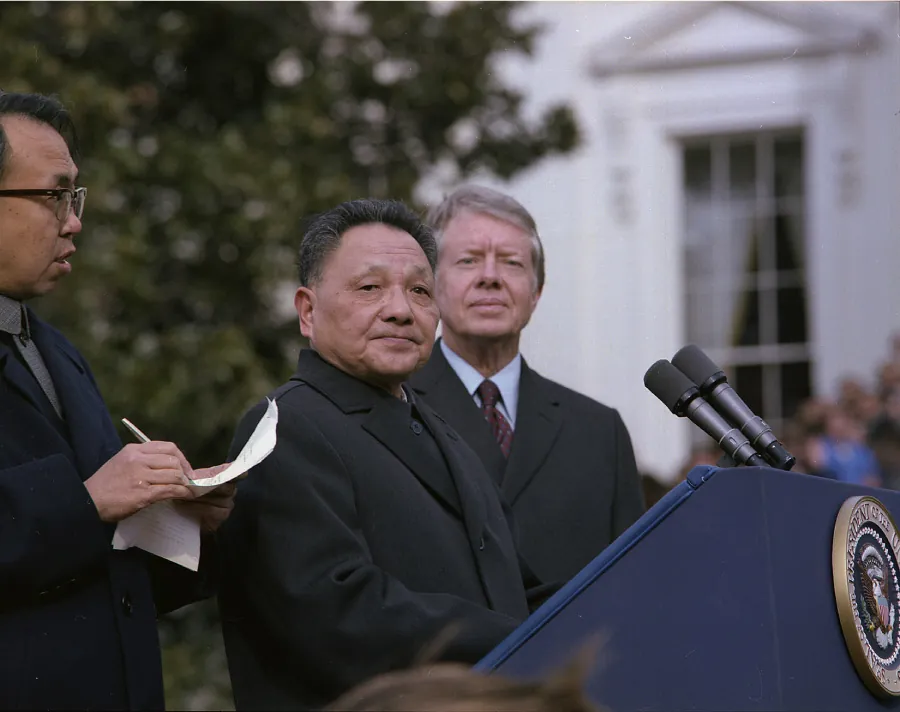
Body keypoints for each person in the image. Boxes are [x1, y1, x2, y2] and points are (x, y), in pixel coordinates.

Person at [218, 199, 550, 711]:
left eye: (419, 290)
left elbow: (513, 585)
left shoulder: (440, 427)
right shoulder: (287, 427)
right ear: (307, 310)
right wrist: (521, 642)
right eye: (369, 288)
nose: (400, 309)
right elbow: (339, 613)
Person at [0, 91, 235, 710]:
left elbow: (98, 567)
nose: (74, 220)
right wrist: (88, 500)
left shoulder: (52, 349)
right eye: (54, 195)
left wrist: (184, 521)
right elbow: (83, 513)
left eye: (75, 197)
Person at [409, 185, 645, 584]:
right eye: (468, 260)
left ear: (535, 293)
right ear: (431, 286)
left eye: (511, 263)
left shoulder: (598, 431)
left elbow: (635, 579)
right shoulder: (394, 406)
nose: (490, 278)